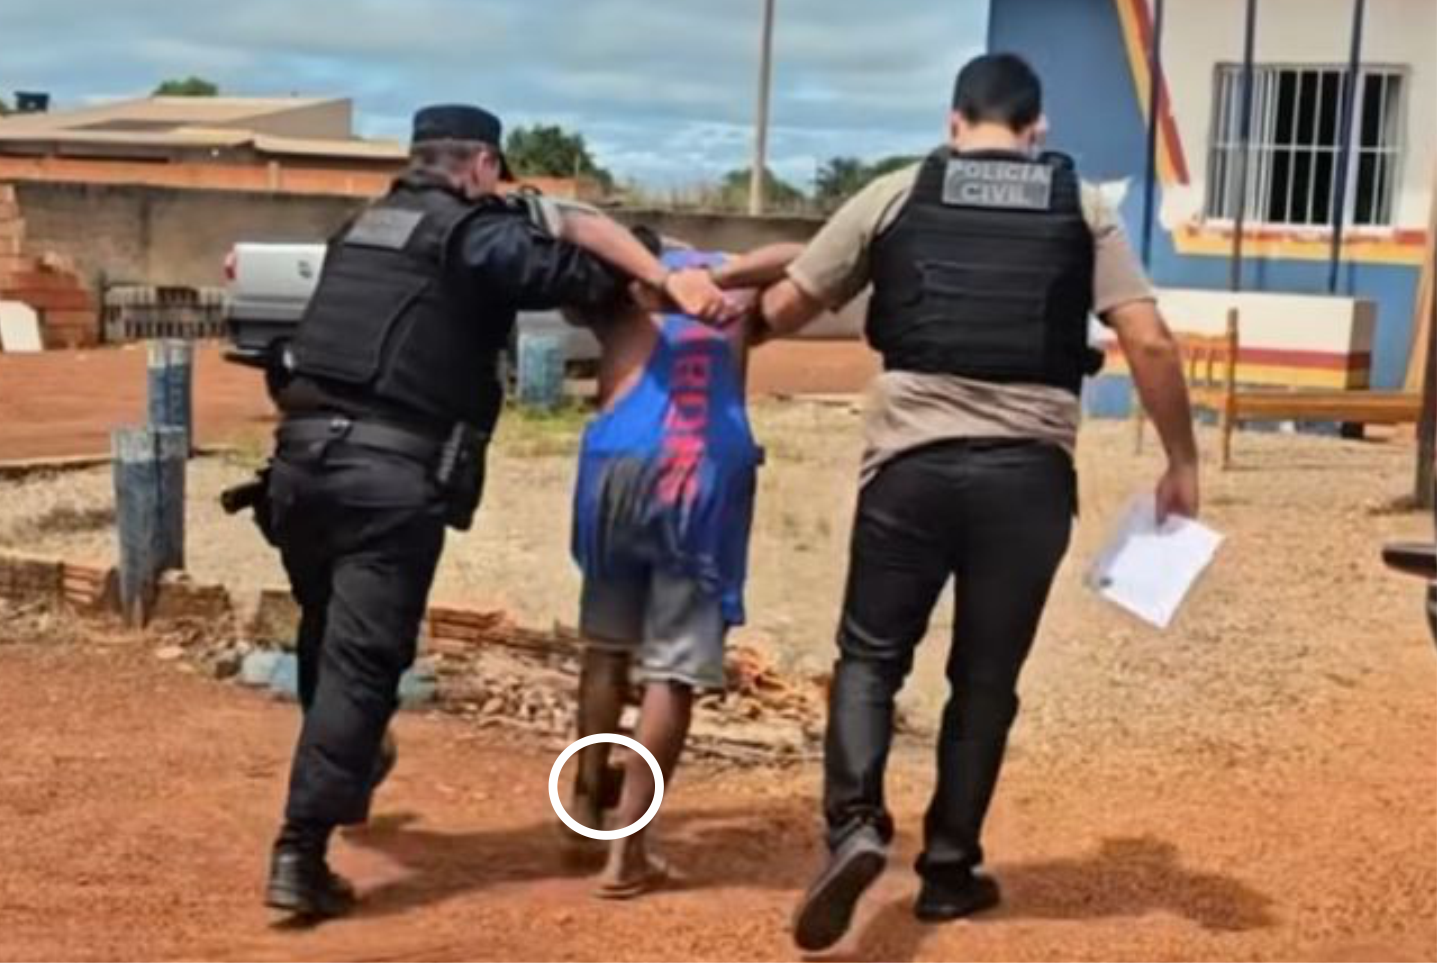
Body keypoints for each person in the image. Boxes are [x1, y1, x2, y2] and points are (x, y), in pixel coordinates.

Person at [757, 54, 1201, 950]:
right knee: (985, 679)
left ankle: (854, 827)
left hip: (908, 471)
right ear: (1036, 129)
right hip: (1026, 479)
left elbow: (789, 306)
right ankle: (948, 871)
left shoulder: (894, 192)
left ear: (953, 121)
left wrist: (721, 291)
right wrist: (1180, 461)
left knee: (870, 657)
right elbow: (1149, 342)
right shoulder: (1080, 205)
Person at [255, 104, 733, 919]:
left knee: (326, 635)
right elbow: (581, 277)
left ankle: (351, 756)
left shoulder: (361, 227)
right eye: (497, 176)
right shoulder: (476, 234)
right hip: (385, 479)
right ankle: (300, 851)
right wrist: (658, 259)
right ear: (480, 165)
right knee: (363, 660)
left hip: (297, 469)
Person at [558, 227, 803, 897]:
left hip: (617, 462)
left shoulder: (627, 283)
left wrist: (673, 283)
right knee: (672, 671)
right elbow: (803, 258)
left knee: (606, 649)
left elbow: (568, 230)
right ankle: (626, 852)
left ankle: (584, 811)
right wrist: (721, 281)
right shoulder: (735, 291)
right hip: (702, 476)